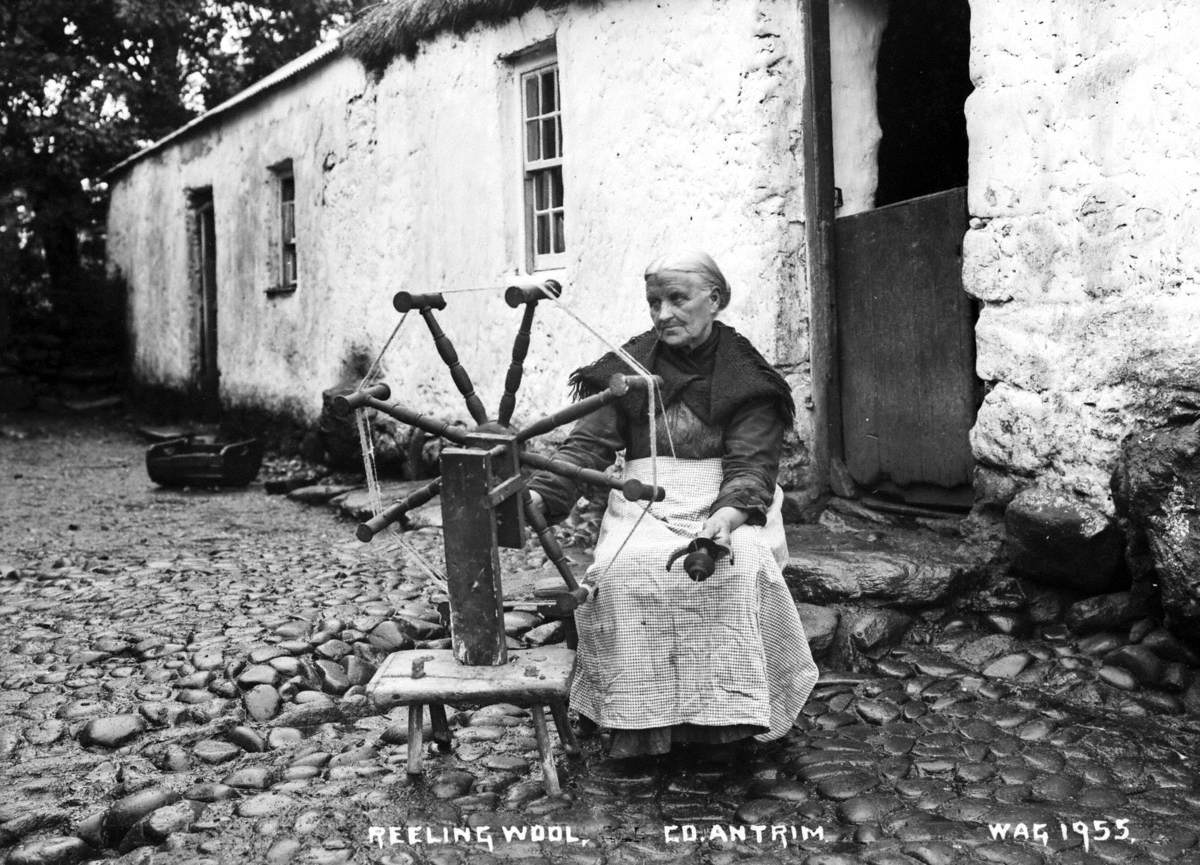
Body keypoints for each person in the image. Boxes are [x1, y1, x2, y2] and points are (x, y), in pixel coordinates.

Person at [527, 249, 818, 758]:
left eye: (678, 299)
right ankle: (638, 725)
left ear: (716, 300)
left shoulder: (748, 378)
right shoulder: (628, 368)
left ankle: (728, 724)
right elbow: (586, 449)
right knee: (622, 569)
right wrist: (542, 496)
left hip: (727, 500)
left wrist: (723, 522)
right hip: (643, 502)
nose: (663, 315)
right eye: (654, 302)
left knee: (740, 562)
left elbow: (751, 468)